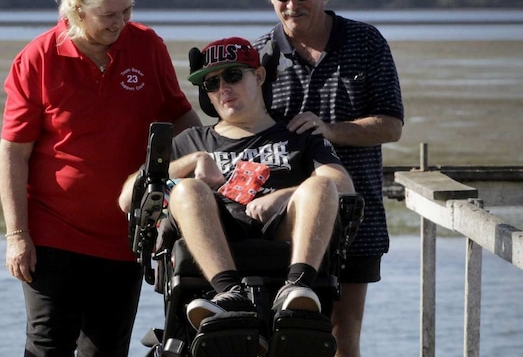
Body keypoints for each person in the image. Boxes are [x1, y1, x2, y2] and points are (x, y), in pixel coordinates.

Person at [0, 0, 200, 357]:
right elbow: (13, 154)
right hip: (53, 228)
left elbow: (180, 116)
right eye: (110, 15)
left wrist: (216, 155)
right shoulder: (38, 58)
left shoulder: (146, 46)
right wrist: (17, 234)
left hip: (127, 231)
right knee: (48, 342)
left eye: (127, 11)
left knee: (105, 352)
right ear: (77, 10)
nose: (120, 23)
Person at [254, 0, 405, 357]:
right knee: (267, 329)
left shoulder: (366, 41)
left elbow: (391, 124)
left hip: (355, 219)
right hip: (279, 222)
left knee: (343, 333)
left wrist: (329, 129)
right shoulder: (259, 56)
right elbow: (238, 136)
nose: (292, 3)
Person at [121, 37, 354, 330]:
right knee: (187, 189)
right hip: (218, 226)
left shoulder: (298, 134)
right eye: (211, 84)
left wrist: (283, 195)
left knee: (320, 185)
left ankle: (297, 287)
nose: (223, 89)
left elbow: (342, 184)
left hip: (282, 228)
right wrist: (193, 161)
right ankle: (229, 292)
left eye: (232, 76)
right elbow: (127, 199)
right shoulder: (193, 140)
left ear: (258, 76)